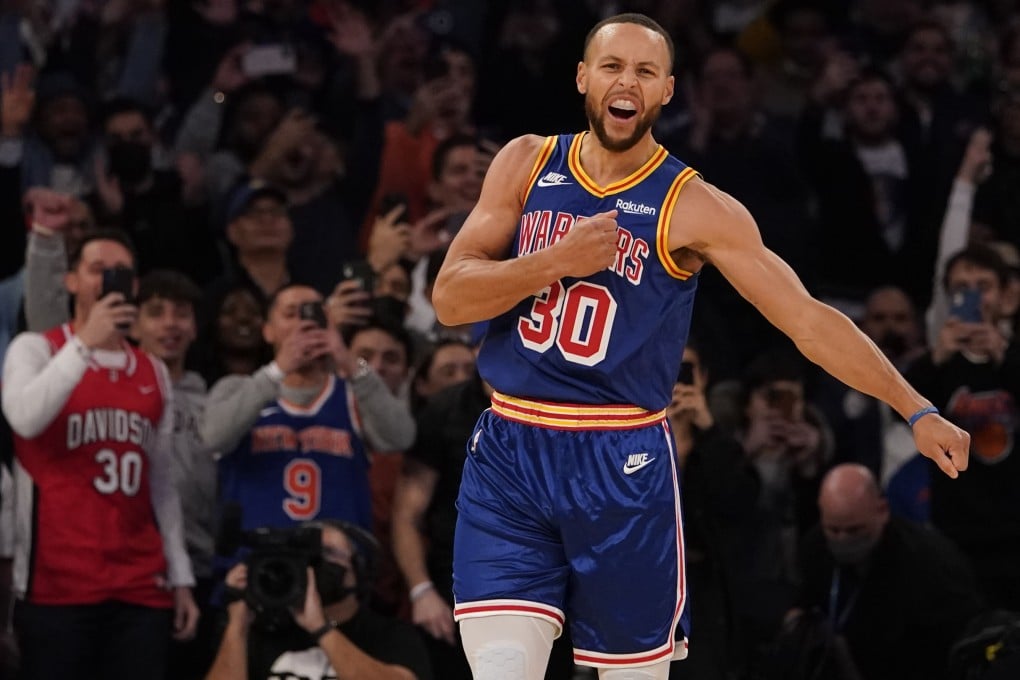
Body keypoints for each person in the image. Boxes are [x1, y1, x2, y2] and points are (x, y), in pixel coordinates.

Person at [431, 12, 970, 679]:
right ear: (582, 78)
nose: (626, 81)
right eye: (611, 66)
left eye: (645, 71)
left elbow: (805, 319)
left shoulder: (694, 205)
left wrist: (914, 407)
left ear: (665, 92)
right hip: (512, 446)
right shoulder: (524, 161)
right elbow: (450, 297)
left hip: (620, 459)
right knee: (503, 670)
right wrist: (554, 261)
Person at [1, 230, 199, 679]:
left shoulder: (152, 371)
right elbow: (24, 419)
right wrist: (84, 344)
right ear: (70, 281)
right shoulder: (36, 348)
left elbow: (162, 484)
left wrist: (181, 576)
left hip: (140, 585)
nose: (108, 281)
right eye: (96, 270)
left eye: (120, 273)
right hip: (57, 585)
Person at [201, 284, 415, 532]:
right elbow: (211, 438)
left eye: (313, 314)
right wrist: (278, 369)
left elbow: (399, 438)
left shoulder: (353, 393)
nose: (304, 324)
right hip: (256, 554)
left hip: (336, 555)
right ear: (267, 331)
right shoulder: (237, 389)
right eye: (291, 314)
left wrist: (348, 362)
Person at [790, 464, 985, 680]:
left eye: (855, 530)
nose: (842, 540)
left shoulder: (931, 564)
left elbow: (960, 644)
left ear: (882, 511)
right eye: (833, 529)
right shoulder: (815, 547)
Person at [205, 521, 432, 680]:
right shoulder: (266, 633)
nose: (317, 562)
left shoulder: (389, 634)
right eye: (310, 555)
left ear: (358, 569)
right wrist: (238, 624)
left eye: (330, 552)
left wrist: (320, 628)